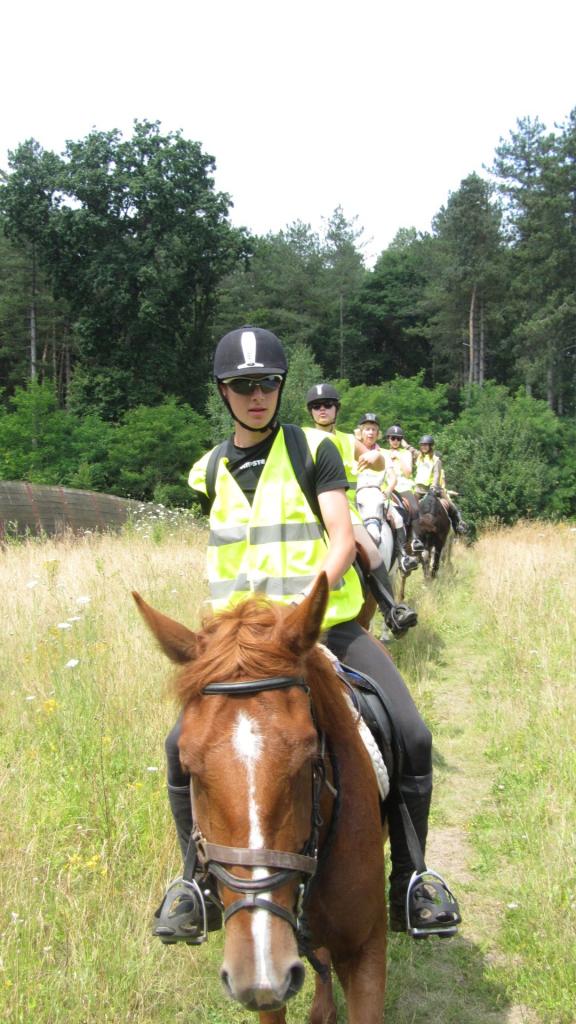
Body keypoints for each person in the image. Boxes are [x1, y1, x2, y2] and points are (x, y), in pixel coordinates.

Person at [155, 326, 460, 943]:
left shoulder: (312, 452)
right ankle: (195, 884)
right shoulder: (210, 469)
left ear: (280, 387)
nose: (256, 395)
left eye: (267, 383)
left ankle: (410, 878)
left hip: (325, 628)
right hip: (239, 649)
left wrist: (298, 615)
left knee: (411, 732)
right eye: (242, 386)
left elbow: (343, 542)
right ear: (223, 391)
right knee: (178, 748)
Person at [306, 384, 418, 635]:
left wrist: (375, 458)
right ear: (310, 411)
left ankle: (392, 611)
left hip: (346, 510)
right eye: (316, 406)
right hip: (311, 509)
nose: (322, 409)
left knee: (372, 553)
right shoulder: (303, 438)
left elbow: (379, 463)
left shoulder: (349, 441)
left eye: (328, 405)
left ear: (337, 409)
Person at [357, 414, 420, 575]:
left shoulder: (384, 453)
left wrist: (388, 491)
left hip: (378, 495)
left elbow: (392, 479)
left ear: (378, 434)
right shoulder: (353, 449)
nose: (370, 433)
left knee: (398, 518)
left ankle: (402, 556)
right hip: (356, 495)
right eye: (367, 429)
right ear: (361, 432)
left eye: (374, 430)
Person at [410, 435, 468, 534]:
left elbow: (437, 475)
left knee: (449, 502)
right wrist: (400, 437)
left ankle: (459, 523)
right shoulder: (419, 456)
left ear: (430, 446)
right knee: (410, 507)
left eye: (426, 445)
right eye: (422, 445)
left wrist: (433, 487)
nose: (423, 447)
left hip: (433, 489)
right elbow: (408, 447)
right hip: (419, 489)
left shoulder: (437, 460)